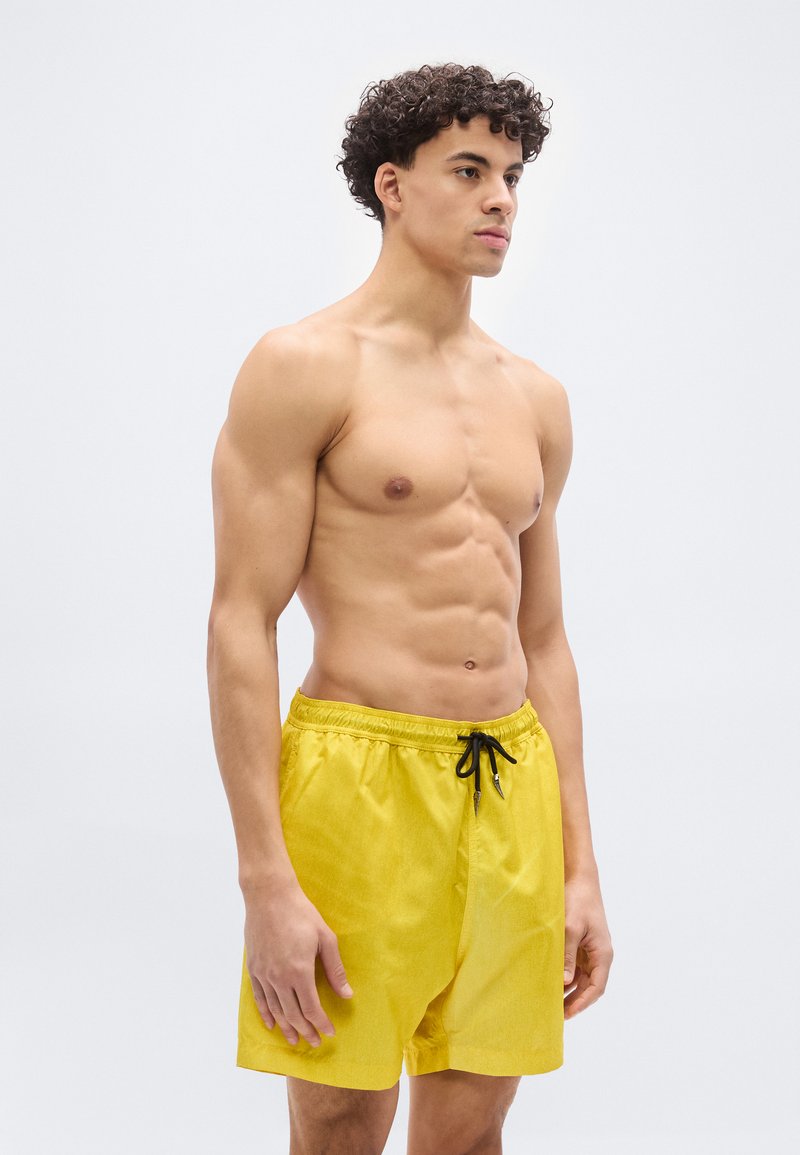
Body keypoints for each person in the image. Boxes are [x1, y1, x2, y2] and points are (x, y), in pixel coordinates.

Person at [207, 61, 613, 1155]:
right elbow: (240, 620)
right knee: (341, 1120)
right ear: (392, 186)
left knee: (474, 1126)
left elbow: (545, 641)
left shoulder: (534, 397)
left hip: (509, 780)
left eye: (512, 177)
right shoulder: (303, 366)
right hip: (359, 781)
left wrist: (579, 865)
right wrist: (265, 880)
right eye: (469, 171)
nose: (500, 201)